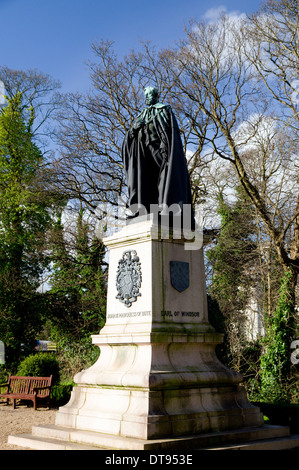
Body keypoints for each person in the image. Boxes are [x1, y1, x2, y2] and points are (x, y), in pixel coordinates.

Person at [122, 87, 194, 228]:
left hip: (161, 151)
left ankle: (168, 213)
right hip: (144, 153)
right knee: (144, 181)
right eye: (146, 95)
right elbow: (129, 140)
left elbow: (171, 133)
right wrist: (133, 130)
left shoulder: (164, 110)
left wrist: (165, 146)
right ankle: (144, 212)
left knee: (164, 181)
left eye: (150, 94)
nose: (148, 97)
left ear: (156, 95)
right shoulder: (141, 115)